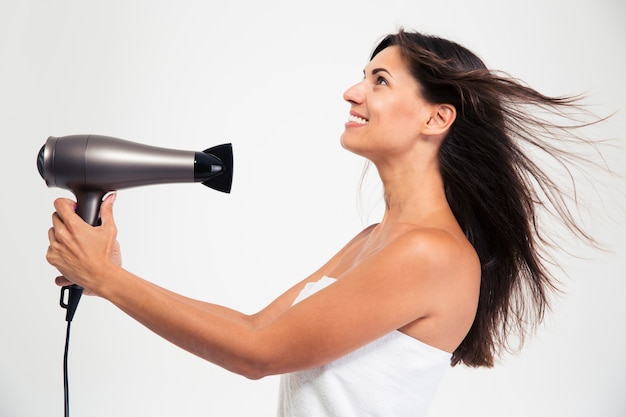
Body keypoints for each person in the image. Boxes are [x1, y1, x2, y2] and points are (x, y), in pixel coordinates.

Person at [46, 29, 602, 416]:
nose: (353, 91)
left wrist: (109, 282)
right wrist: (112, 277)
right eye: (362, 76)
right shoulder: (376, 241)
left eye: (379, 81)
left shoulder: (430, 254)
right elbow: (256, 326)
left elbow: (256, 354)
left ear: (437, 117)